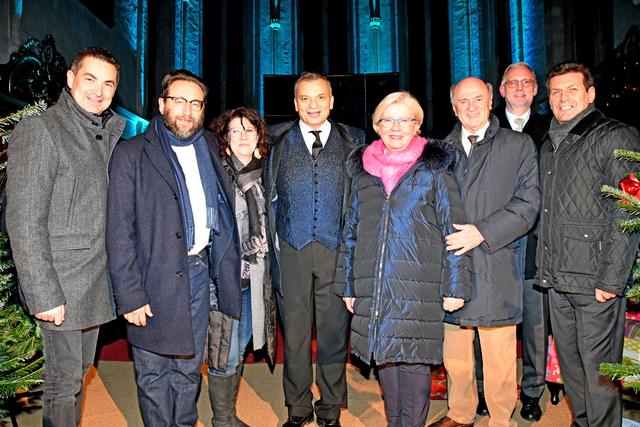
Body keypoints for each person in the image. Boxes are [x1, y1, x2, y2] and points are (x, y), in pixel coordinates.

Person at [107, 69, 240, 426]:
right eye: (179, 100)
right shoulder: (131, 154)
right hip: (151, 280)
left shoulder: (210, 146)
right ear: (163, 104)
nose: (187, 110)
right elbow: (119, 232)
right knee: (152, 374)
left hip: (198, 275)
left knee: (188, 367)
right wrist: (130, 296)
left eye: (195, 103)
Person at [334, 91, 472, 427]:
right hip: (374, 287)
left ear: (417, 126)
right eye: (388, 120)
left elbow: (454, 233)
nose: (396, 127)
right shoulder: (363, 171)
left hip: (418, 287)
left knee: (412, 364)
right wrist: (348, 285)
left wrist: (455, 287)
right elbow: (350, 232)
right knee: (387, 362)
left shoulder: (434, 169)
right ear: (377, 126)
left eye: (405, 119)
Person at [6, 47, 124, 427]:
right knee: (63, 382)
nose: (98, 90)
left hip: (93, 282)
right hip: (60, 285)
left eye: (108, 83)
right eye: (90, 79)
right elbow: (24, 219)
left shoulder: (103, 133)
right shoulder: (42, 129)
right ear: (71, 79)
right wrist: (43, 293)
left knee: (78, 374)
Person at [430, 77, 540, 427]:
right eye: (463, 101)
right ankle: (460, 412)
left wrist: (482, 232)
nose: (471, 106)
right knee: (456, 352)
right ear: (453, 106)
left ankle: (499, 418)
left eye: (478, 98)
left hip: (497, 260)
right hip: (451, 266)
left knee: (499, 357)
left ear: (491, 99)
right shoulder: (438, 150)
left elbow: (528, 204)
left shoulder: (518, 145)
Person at [536, 61, 640, 427]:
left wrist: (611, 281)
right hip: (557, 278)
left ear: (591, 94)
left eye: (572, 89)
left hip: (596, 281)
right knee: (572, 368)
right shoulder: (550, 144)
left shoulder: (617, 136)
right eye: (556, 91)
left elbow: (629, 210)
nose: (563, 98)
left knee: (599, 374)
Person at [265, 72, 365, 427]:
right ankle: (298, 407)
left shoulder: (355, 140)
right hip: (290, 251)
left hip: (335, 251)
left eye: (320, 97)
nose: (313, 105)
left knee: (334, 336)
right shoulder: (273, 141)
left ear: (331, 101)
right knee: (294, 335)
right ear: (295, 104)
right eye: (305, 98)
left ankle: (330, 409)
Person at [206, 107, 276, 427]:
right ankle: (223, 420)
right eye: (235, 130)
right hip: (224, 281)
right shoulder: (216, 175)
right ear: (226, 138)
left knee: (242, 345)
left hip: (256, 279)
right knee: (225, 351)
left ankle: (228, 415)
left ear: (258, 136)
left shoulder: (267, 175)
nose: (243, 136)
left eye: (249, 130)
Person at [495, 62, 551, 421]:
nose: (518, 88)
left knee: (535, 324)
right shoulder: (485, 124)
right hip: (494, 242)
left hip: (536, 242)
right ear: (500, 91)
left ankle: (533, 390)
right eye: (511, 82)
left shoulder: (552, 126)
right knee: (491, 323)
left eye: (525, 82)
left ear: (535, 90)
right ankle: (489, 390)